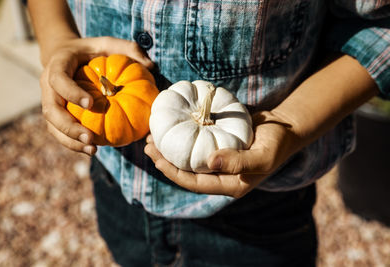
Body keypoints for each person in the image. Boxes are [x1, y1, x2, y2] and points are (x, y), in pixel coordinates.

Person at [27, 1, 389, 266]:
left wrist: (289, 123)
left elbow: (381, 29)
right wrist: (57, 41)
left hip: (258, 211)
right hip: (117, 186)